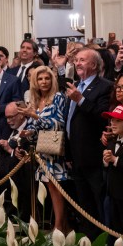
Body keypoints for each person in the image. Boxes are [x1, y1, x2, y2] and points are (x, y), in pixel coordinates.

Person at [63, 48, 113, 234]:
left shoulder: (105, 86)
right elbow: (69, 122)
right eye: (76, 60)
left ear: (94, 64)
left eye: (82, 60)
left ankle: (104, 241)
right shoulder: (75, 86)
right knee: (84, 205)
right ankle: (89, 241)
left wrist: (81, 100)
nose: (78, 63)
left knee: (98, 201)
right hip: (76, 156)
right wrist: (67, 153)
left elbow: (102, 116)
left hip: (94, 155)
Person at [23, 65, 70, 232]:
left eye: (47, 78)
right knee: (50, 189)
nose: (44, 82)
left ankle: (59, 226)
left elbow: (58, 124)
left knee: (57, 189)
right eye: (40, 79)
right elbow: (35, 128)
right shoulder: (35, 101)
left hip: (55, 150)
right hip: (41, 150)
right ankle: (60, 225)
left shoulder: (58, 97)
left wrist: (36, 116)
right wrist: (27, 132)